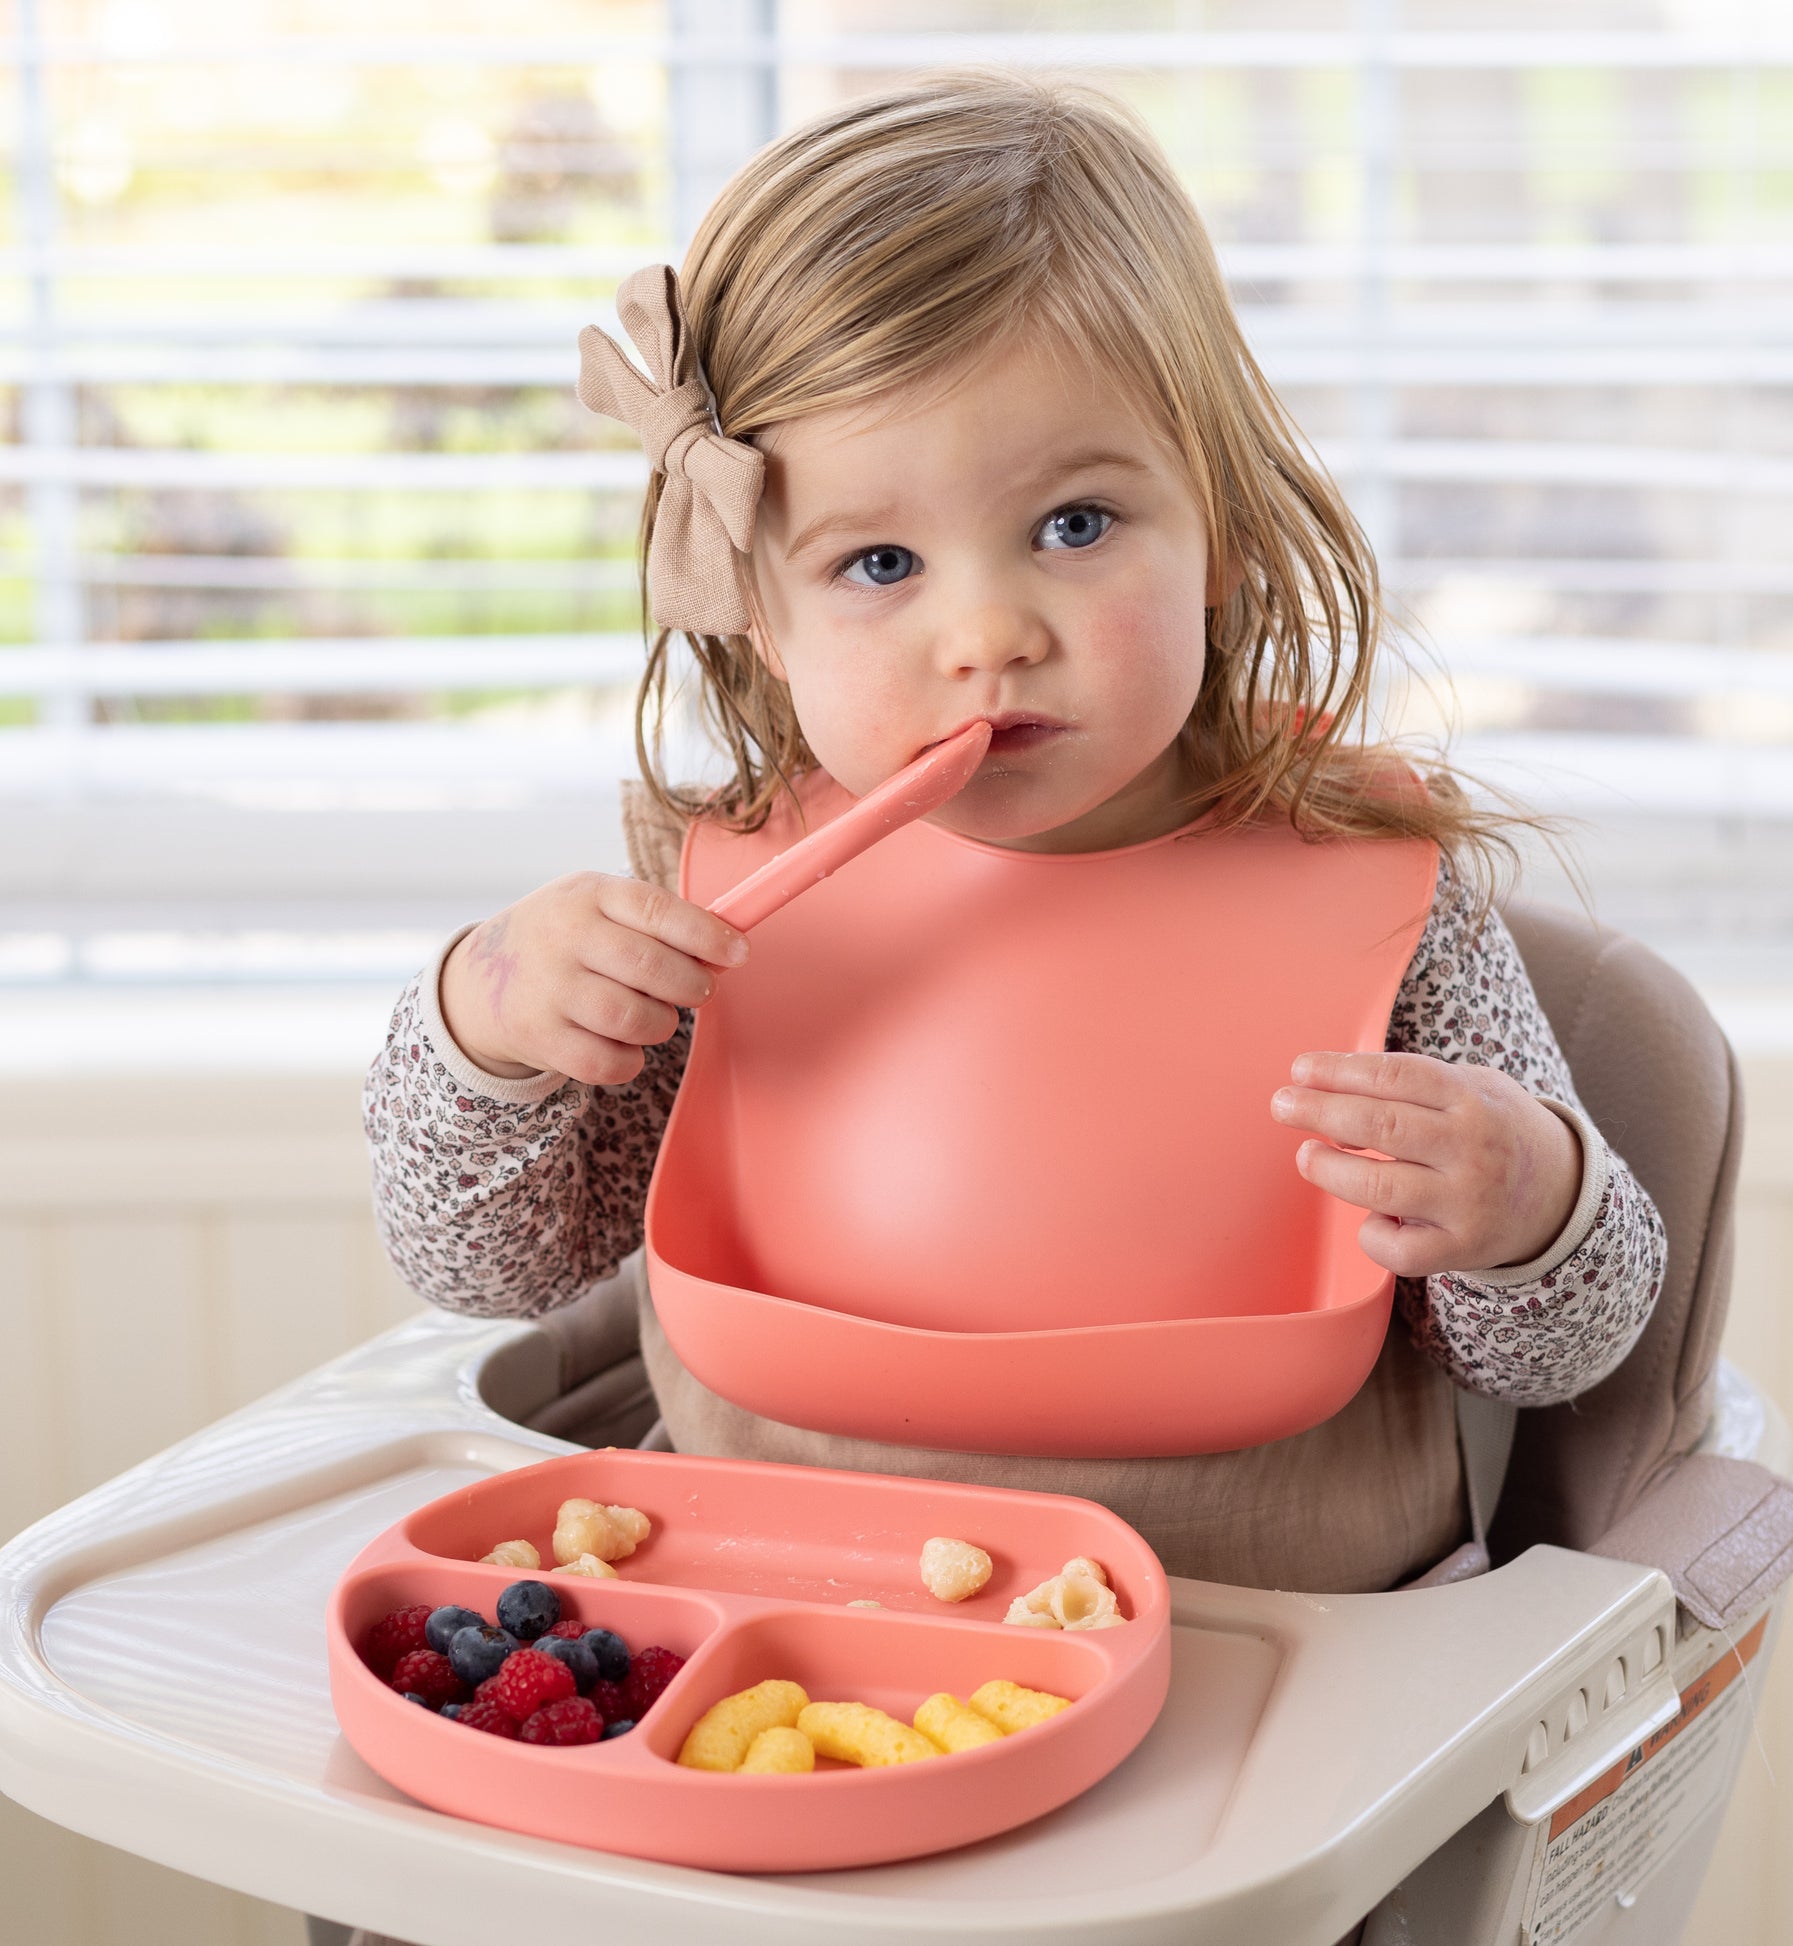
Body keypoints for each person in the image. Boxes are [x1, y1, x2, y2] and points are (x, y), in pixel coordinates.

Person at [363, 69, 1665, 1599]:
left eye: (1073, 526)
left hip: (1258, 1679)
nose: (986, 634)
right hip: (770, 1658)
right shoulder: (721, 906)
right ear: (756, 614)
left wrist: (1526, 1207)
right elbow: (483, 1269)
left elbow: (1552, 1353)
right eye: (879, 560)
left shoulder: (1373, 900)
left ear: (1223, 533)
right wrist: (491, 1018)